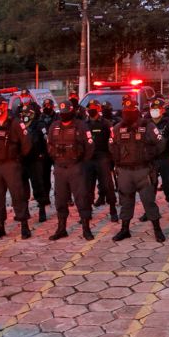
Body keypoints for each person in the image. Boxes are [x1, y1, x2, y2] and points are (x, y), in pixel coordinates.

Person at [108, 99, 167, 242]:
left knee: (148, 201)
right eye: (126, 111)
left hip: (143, 170)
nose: (128, 113)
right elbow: (111, 146)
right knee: (126, 201)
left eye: (131, 111)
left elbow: (161, 143)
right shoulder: (117, 128)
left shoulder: (147, 125)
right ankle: (125, 229)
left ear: (137, 110)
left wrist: (150, 156)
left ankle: (157, 229)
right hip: (125, 171)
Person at [0, 94, 33, 239]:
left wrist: (17, 158)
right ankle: (0, 225)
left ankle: (24, 225)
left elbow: (27, 144)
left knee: (17, 195)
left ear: (5, 106)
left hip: (11, 164)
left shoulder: (15, 122)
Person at [46, 102, 95, 241]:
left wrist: (81, 163)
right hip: (60, 168)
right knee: (60, 199)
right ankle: (61, 229)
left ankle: (86, 229)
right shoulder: (54, 126)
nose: (64, 114)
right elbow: (49, 145)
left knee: (82, 199)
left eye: (66, 111)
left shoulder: (81, 125)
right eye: (62, 112)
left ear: (72, 111)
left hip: (76, 168)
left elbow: (90, 146)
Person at [146, 98, 169, 222]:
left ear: (162, 110)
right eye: (153, 109)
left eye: (157, 109)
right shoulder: (146, 123)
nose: (155, 111)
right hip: (151, 160)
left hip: (166, 158)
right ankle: (149, 211)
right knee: (150, 187)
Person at [84, 99, 118, 222]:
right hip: (88, 160)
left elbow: (113, 140)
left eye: (94, 107)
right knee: (87, 188)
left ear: (99, 108)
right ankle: (87, 212)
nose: (91, 109)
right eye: (89, 107)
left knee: (108, 186)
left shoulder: (106, 124)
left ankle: (113, 210)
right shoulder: (84, 124)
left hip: (103, 158)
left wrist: (112, 158)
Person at [19, 105, 49, 222]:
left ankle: (42, 209)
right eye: (23, 113)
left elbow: (45, 141)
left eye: (27, 113)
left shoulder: (39, 125)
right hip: (22, 160)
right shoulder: (20, 126)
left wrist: (43, 155)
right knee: (22, 187)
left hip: (35, 160)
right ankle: (25, 210)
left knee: (38, 185)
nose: (24, 115)